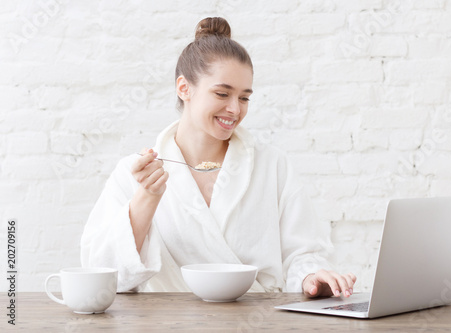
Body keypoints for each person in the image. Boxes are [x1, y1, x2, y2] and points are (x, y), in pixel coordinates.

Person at [81, 17, 356, 298]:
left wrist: (312, 276)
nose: (235, 109)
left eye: (245, 98)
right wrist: (147, 197)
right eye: (222, 94)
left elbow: (304, 253)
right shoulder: (136, 172)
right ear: (184, 88)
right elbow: (105, 277)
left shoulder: (271, 165)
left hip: (261, 321)